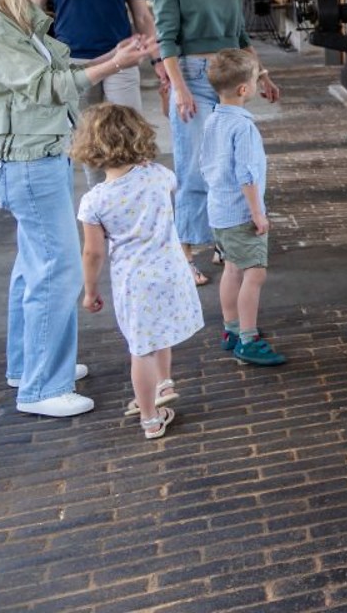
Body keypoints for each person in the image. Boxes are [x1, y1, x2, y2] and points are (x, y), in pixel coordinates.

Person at [0, 0, 155, 418]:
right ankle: (43, 388)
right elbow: (43, 88)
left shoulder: (15, 18)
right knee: (58, 270)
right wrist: (113, 66)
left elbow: (56, 73)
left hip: (38, 153)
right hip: (26, 160)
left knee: (34, 268)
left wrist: (115, 54)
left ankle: (28, 365)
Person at [151, 0, 281, 286]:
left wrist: (263, 76)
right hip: (191, 77)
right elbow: (167, 43)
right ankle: (185, 254)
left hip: (230, 76)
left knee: (230, 166)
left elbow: (240, 38)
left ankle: (223, 241)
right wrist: (180, 89)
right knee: (194, 169)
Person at [72, 103, 204, 440]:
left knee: (140, 348)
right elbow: (172, 184)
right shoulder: (159, 176)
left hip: (135, 282)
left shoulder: (94, 201)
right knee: (160, 332)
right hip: (171, 271)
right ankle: (163, 384)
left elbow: (93, 252)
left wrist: (90, 290)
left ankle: (150, 418)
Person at [34, 0, 170, 185]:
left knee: (128, 130)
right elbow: (34, 10)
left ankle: (131, 193)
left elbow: (142, 16)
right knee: (88, 136)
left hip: (122, 58)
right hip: (76, 64)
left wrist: (157, 59)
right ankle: (100, 194)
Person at [200, 49, 285, 366]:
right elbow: (247, 174)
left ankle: (231, 328)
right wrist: (258, 214)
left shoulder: (212, 120)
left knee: (233, 268)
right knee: (255, 273)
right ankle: (248, 339)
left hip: (219, 210)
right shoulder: (244, 127)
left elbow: (205, 164)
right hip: (240, 213)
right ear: (243, 89)